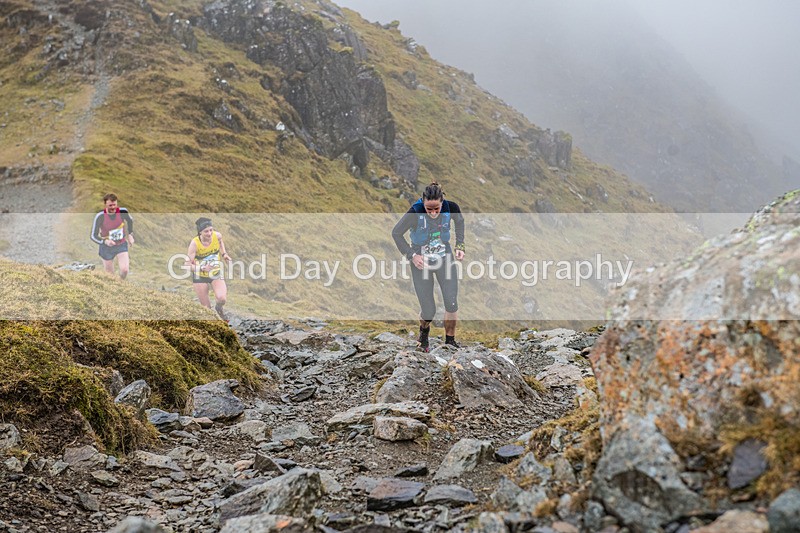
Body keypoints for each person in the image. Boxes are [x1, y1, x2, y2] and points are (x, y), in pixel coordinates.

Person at [392, 182, 465, 351]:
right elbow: (396, 233)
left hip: (444, 260)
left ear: (442, 202)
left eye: (436, 209)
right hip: (421, 264)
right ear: (423, 202)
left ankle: (450, 342)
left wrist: (460, 245)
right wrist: (412, 255)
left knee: (451, 302)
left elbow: (460, 222)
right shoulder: (415, 212)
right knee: (428, 310)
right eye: (429, 209)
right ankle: (423, 336)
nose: (433, 213)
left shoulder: (451, 207)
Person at [187, 217, 231, 320]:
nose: (210, 233)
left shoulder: (217, 236)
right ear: (200, 232)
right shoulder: (194, 244)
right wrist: (202, 268)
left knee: (222, 299)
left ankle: (219, 308)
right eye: (206, 231)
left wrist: (224, 254)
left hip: (215, 273)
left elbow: (220, 242)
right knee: (206, 309)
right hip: (200, 276)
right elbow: (187, 265)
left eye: (211, 230)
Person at [90, 193, 135, 279]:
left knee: (124, 270)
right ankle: (114, 286)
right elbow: (93, 235)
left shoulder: (123, 212)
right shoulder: (100, 216)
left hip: (120, 244)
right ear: (105, 204)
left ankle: (121, 283)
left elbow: (130, 221)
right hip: (106, 247)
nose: (113, 207)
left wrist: (130, 235)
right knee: (110, 276)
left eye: (114, 205)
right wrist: (105, 241)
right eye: (110, 205)